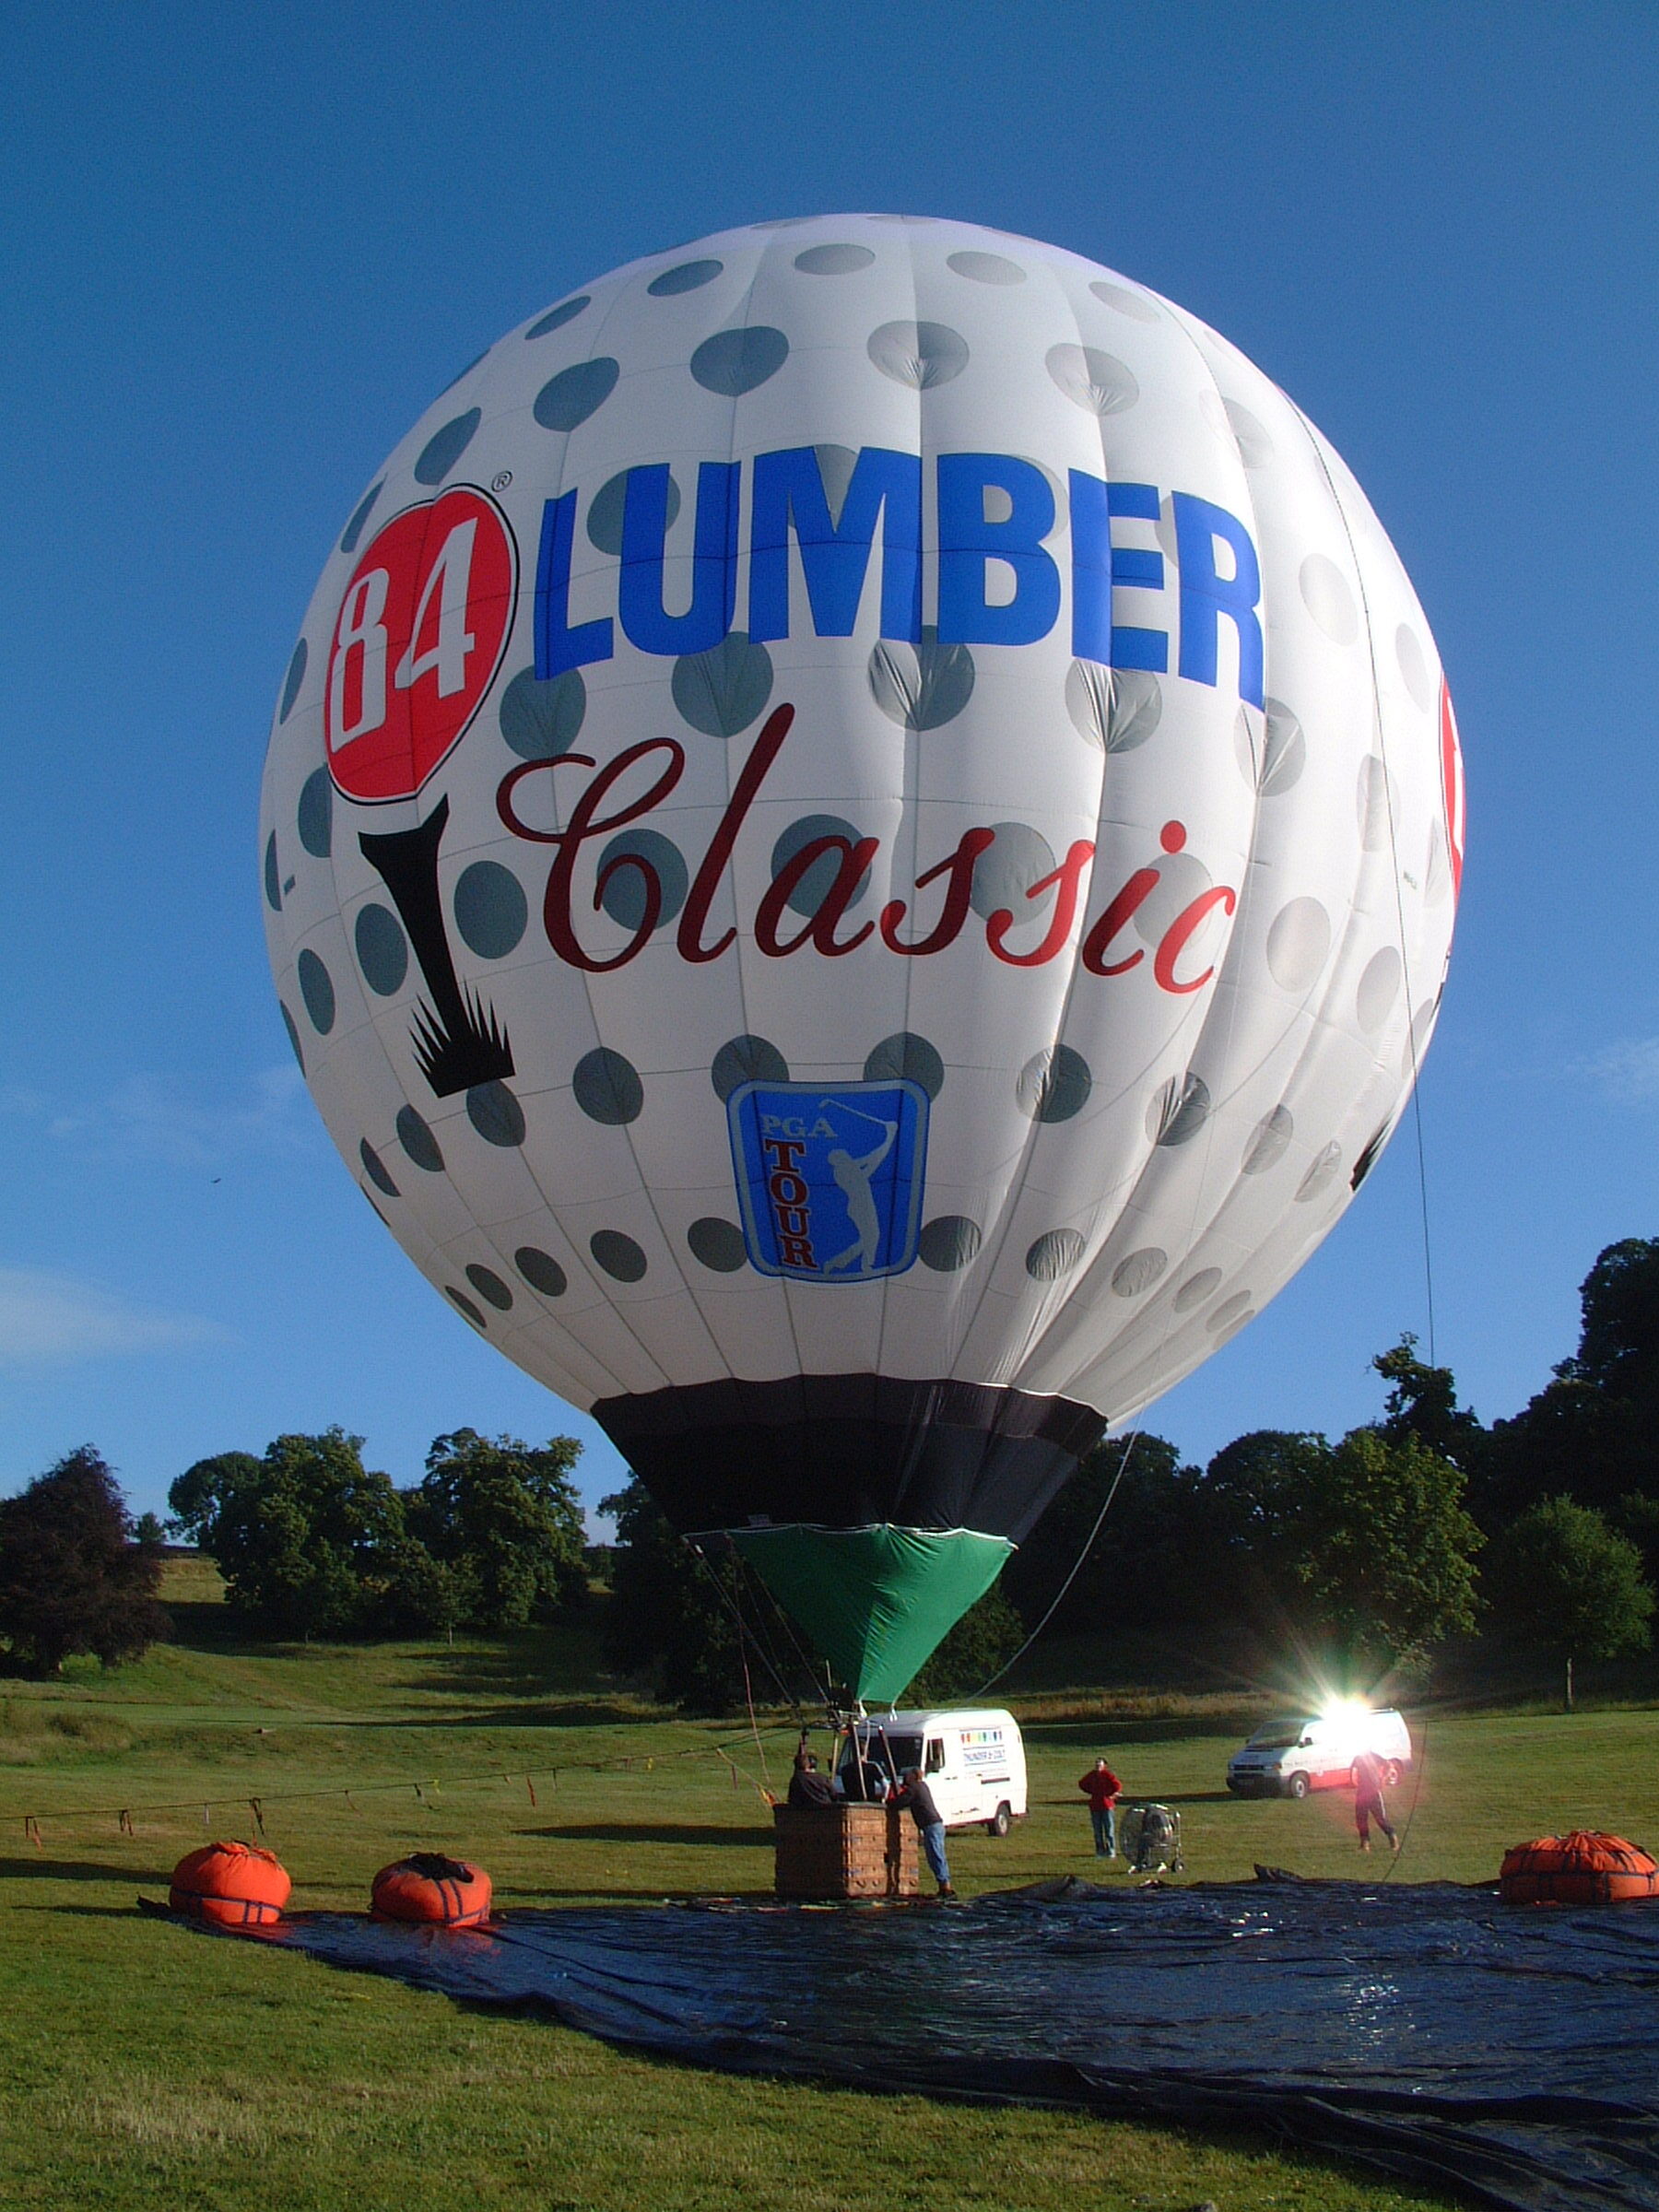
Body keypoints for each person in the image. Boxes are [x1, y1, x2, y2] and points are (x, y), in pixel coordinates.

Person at [897, 1766, 955, 1898]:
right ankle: (944, 1885)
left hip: (932, 1826)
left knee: (936, 1856)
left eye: (907, 1776)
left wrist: (891, 1800)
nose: (905, 1778)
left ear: (913, 1776)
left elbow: (900, 1802)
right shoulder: (922, 1786)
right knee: (937, 1855)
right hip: (936, 1825)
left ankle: (945, 1887)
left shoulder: (914, 1789)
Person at [1353, 1748, 1398, 1853]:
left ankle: (1393, 1839)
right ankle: (1365, 1844)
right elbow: (1354, 1771)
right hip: (1361, 1792)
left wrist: (1383, 1778)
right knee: (1361, 1819)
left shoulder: (1374, 1756)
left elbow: (1389, 1765)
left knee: (1380, 1819)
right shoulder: (1357, 1758)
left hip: (1373, 1792)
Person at [1078, 1757, 1123, 1857]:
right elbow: (1082, 1783)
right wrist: (1091, 1791)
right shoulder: (1092, 1775)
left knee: (1109, 1829)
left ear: (1104, 1766)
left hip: (1107, 1805)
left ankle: (1111, 1850)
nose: (1098, 1767)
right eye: (1096, 1765)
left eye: (1100, 1765)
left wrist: (1111, 1794)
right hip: (1095, 1806)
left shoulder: (1107, 1775)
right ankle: (1100, 1851)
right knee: (1097, 1831)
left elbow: (1117, 1785)